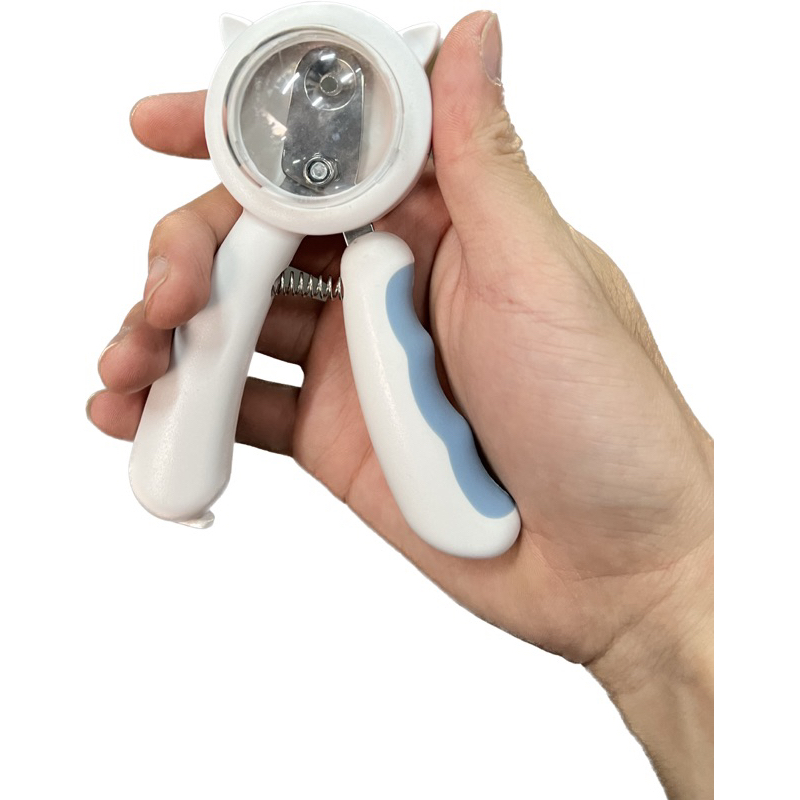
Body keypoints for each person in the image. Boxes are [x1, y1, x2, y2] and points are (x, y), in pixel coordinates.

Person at [87, 12, 713, 799]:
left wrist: (661, 592)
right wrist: (672, 600)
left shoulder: (374, 241)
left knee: (303, 262)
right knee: (275, 266)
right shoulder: (343, 236)